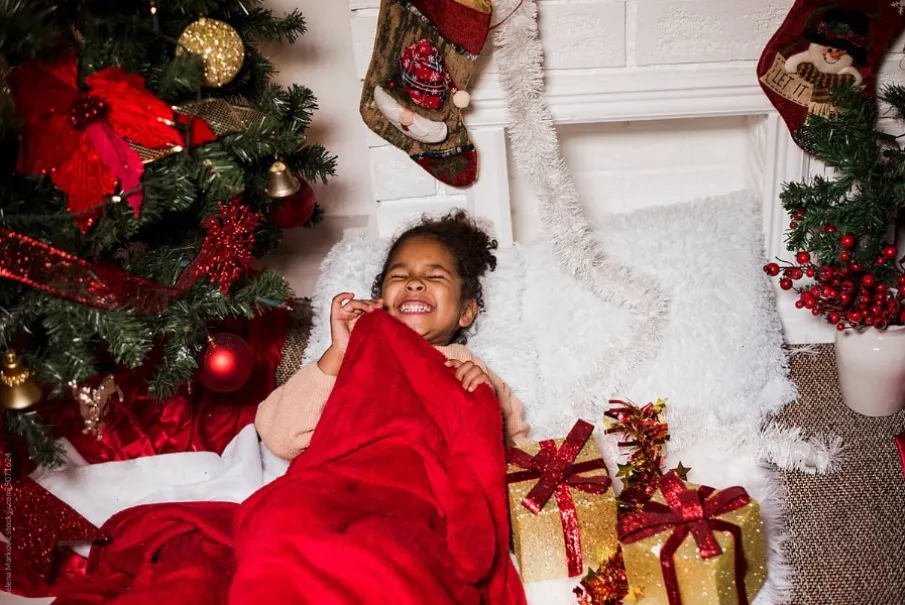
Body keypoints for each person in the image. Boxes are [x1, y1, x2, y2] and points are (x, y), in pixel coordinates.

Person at [256, 210, 531, 460]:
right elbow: (281, 438)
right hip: (352, 486)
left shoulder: (467, 367)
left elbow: (515, 457)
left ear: (467, 311)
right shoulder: (353, 360)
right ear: (380, 303)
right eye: (399, 277)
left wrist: (484, 400)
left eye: (435, 277)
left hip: (430, 495)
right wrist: (337, 355)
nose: (414, 283)